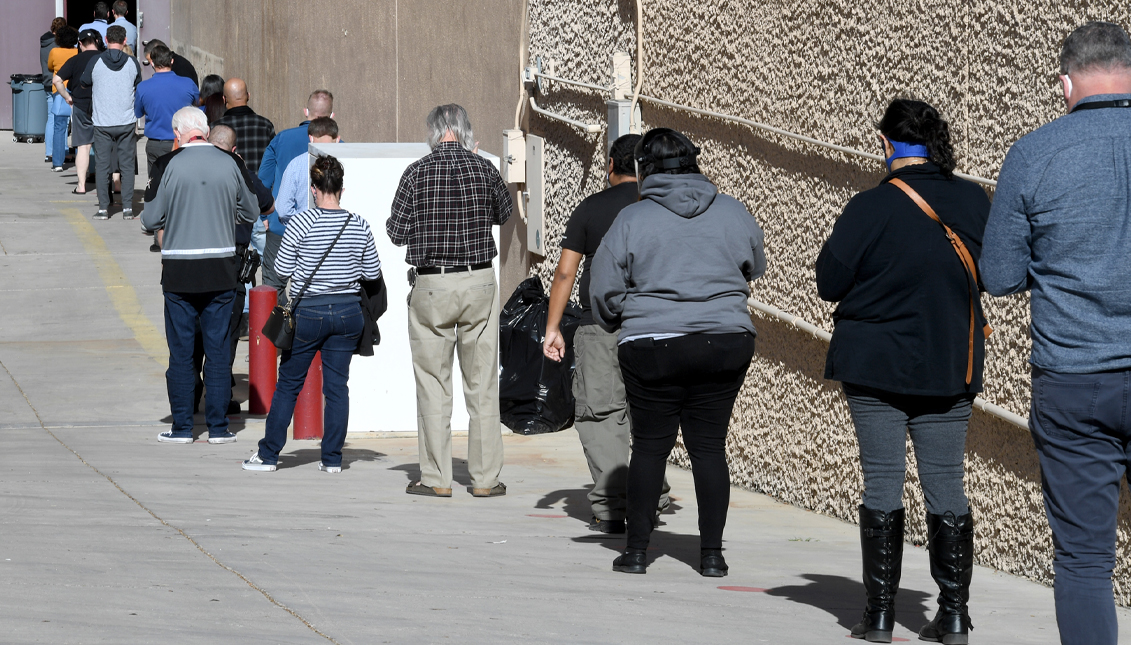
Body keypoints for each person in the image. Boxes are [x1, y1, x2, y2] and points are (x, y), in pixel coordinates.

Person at [816, 99, 989, 644]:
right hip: (947, 364)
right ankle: (955, 614)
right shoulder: (972, 200)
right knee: (947, 487)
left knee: (882, 482)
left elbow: (829, 281)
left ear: (888, 145)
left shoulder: (870, 206)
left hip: (875, 368)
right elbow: (994, 273)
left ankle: (881, 615)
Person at [981, 22, 1131, 645]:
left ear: (1065, 81)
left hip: (1077, 378)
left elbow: (999, 275)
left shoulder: (1036, 153)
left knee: (1084, 560)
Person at [589, 128, 764, 577]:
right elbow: (755, 265)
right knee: (708, 449)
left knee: (649, 446)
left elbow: (604, 290)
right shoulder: (731, 210)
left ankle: (636, 553)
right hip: (724, 342)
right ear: (694, 162)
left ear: (644, 170)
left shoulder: (632, 218)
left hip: (651, 346)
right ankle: (712, 556)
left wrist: (624, 320)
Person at [542, 133, 670, 534]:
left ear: (611, 166)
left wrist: (553, 328)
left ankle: (613, 507)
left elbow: (566, 272)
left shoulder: (591, 209)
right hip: (655, 326)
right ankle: (653, 496)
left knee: (601, 413)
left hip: (600, 326)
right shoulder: (660, 208)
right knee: (649, 413)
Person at [387, 104, 512, 498]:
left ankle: (438, 478)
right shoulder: (484, 168)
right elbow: (505, 214)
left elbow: (395, 231)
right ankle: (485, 479)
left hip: (433, 283)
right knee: (482, 385)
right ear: (465, 131)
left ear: (434, 133)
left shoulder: (416, 172)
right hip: (479, 280)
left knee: (433, 384)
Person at [243, 154, 382, 473]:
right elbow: (372, 272)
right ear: (341, 189)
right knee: (337, 387)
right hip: (348, 314)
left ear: (315, 189)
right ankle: (332, 459)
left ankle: (268, 455)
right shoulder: (358, 223)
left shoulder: (301, 222)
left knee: (289, 383)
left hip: (309, 312)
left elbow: (281, 268)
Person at [141, 107, 257, 445]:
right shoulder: (230, 163)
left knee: (181, 352)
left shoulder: (167, 165)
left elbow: (150, 220)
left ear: (179, 134)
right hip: (221, 269)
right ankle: (219, 428)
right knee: (219, 351)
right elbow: (250, 210)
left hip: (179, 271)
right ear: (205, 131)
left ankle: (181, 428)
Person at [269, 116, 342, 306]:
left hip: (306, 243)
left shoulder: (296, 165)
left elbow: (283, 209)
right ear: (337, 138)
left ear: (310, 139)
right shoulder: (346, 164)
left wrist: (300, 224)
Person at [82, 24, 141, 221]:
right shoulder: (133, 63)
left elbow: (83, 82)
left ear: (106, 40)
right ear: (125, 41)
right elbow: (137, 85)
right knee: (126, 165)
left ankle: (103, 209)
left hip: (102, 122)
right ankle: (127, 209)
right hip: (126, 122)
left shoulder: (95, 61)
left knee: (102, 165)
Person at [135, 43, 199, 176]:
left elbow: (138, 113)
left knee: (155, 184)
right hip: (182, 141)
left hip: (155, 143)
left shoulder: (143, 87)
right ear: (171, 61)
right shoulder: (188, 83)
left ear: (152, 63)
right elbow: (198, 106)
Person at [53, 29, 102, 195]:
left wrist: (67, 97)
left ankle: (81, 185)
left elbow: (57, 80)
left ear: (80, 44)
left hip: (80, 105)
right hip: (102, 106)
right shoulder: (105, 58)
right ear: (97, 41)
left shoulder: (74, 60)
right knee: (105, 145)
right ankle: (110, 183)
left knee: (83, 146)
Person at [259, 90, 335, 196]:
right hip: (321, 211)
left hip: (283, 211)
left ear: (306, 112)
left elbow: (264, 182)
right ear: (332, 116)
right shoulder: (338, 145)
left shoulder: (281, 138)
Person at [214, 78, 275, 173]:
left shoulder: (215, 128)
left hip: (228, 186)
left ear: (224, 99)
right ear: (248, 96)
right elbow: (273, 160)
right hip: (258, 186)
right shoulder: (265, 125)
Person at [46, 26, 78, 171]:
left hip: (59, 91)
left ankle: (58, 163)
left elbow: (50, 67)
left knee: (59, 127)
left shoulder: (54, 51)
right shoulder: (78, 51)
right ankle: (80, 160)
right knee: (78, 127)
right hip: (75, 91)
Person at [40, 17, 67, 163]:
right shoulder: (58, 45)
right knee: (62, 118)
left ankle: (49, 152)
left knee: (51, 118)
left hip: (46, 82)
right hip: (59, 84)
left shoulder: (44, 43)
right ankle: (61, 151)